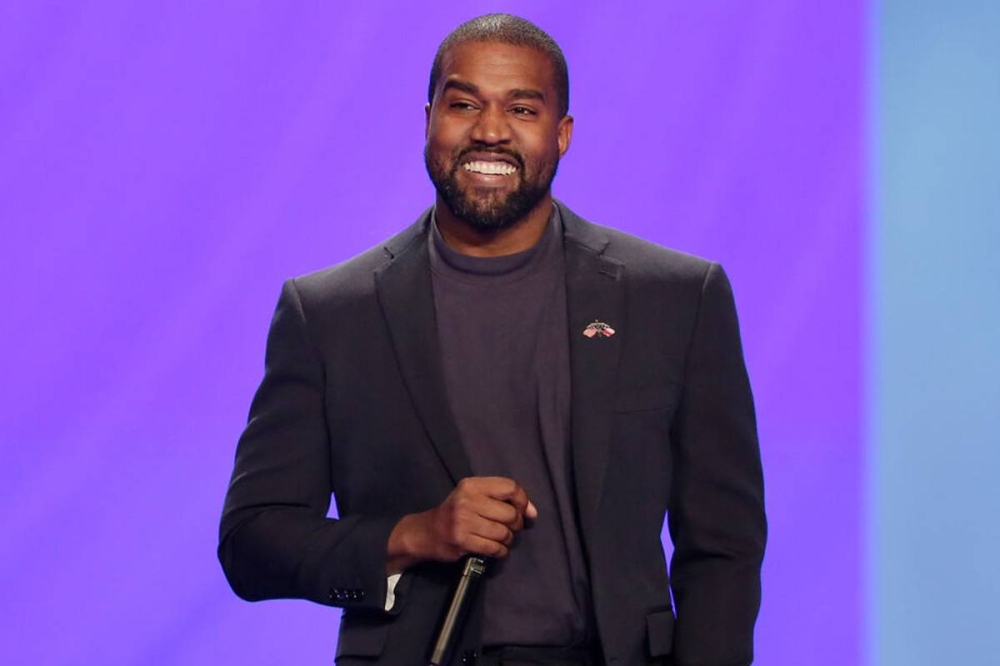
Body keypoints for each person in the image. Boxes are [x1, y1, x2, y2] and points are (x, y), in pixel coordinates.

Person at [219, 13, 766, 666]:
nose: (490, 130)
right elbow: (252, 541)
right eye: (464, 104)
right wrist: (414, 534)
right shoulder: (330, 313)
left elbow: (724, 546)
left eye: (523, 109)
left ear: (562, 133)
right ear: (428, 120)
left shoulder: (674, 298)